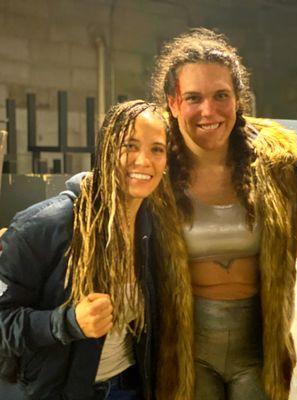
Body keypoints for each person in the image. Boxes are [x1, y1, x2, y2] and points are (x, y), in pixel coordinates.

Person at [150, 28, 297, 400]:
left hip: (259, 350)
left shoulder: (274, 167)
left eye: (221, 95)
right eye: (193, 98)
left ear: (238, 99)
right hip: (185, 351)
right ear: (173, 103)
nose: (208, 110)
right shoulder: (155, 172)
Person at [0, 100, 180, 400]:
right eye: (130, 146)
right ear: (107, 149)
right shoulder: (45, 225)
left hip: (128, 387)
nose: (143, 161)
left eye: (156, 149)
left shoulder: (154, 227)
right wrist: (68, 322)